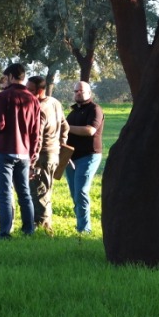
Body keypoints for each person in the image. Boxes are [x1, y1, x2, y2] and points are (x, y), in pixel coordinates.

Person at [0, 63, 41, 239]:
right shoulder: (33, 99)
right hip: (24, 153)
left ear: (10, 76)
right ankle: (28, 229)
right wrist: (33, 155)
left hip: (4, 150)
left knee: (5, 193)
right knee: (24, 192)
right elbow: (36, 131)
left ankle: (5, 232)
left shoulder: (2, 96)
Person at [26, 75, 69, 232]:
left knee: (39, 194)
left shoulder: (39, 109)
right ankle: (42, 226)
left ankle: (43, 230)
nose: (27, 93)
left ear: (40, 90)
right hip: (54, 155)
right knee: (45, 192)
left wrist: (31, 163)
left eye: (30, 90)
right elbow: (65, 126)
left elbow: (37, 139)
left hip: (42, 157)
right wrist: (61, 146)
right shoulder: (55, 102)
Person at [65, 81, 104, 234]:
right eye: (75, 91)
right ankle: (80, 225)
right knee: (75, 193)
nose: (78, 93)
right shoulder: (73, 112)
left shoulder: (95, 109)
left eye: (81, 91)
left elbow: (90, 131)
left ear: (89, 92)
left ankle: (85, 229)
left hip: (89, 156)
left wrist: (66, 127)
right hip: (70, 158)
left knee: (81, 191)